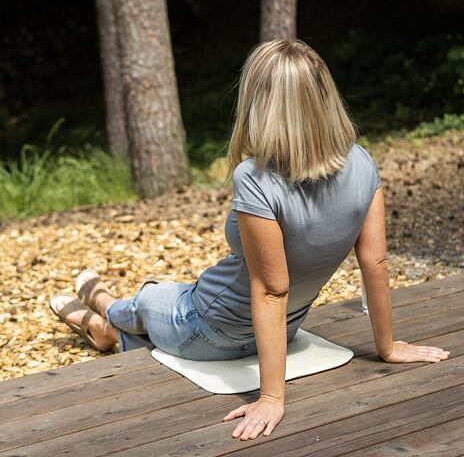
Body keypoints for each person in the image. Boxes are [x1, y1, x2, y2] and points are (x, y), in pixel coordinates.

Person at [49, 38, 450, 441]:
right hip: (287, 329)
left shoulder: (255, 178)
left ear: (259, 102)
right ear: (326, 97)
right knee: (167, 301)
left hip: (203, 327)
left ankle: (105, 306)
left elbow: (272, 291)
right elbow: (375, 264)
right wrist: (388, 346)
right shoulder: (362, 161)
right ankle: (109, 334)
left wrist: (272, 398)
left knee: (151, 295)